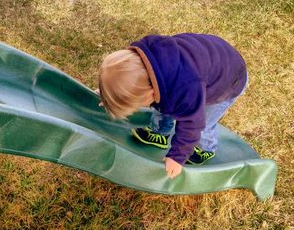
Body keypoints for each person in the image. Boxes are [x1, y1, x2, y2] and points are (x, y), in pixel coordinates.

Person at [98, 33, 247, 179]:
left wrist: (177, 157)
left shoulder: (185, 90)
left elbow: (192, 125)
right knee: (164, 101)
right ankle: (160, 132)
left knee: (204, 121)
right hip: (208, 57)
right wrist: (112, 97)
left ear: (149, 92)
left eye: (139, 103)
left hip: (229, 81)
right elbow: (130, 83)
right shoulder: (149, 60)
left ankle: (206, 148)